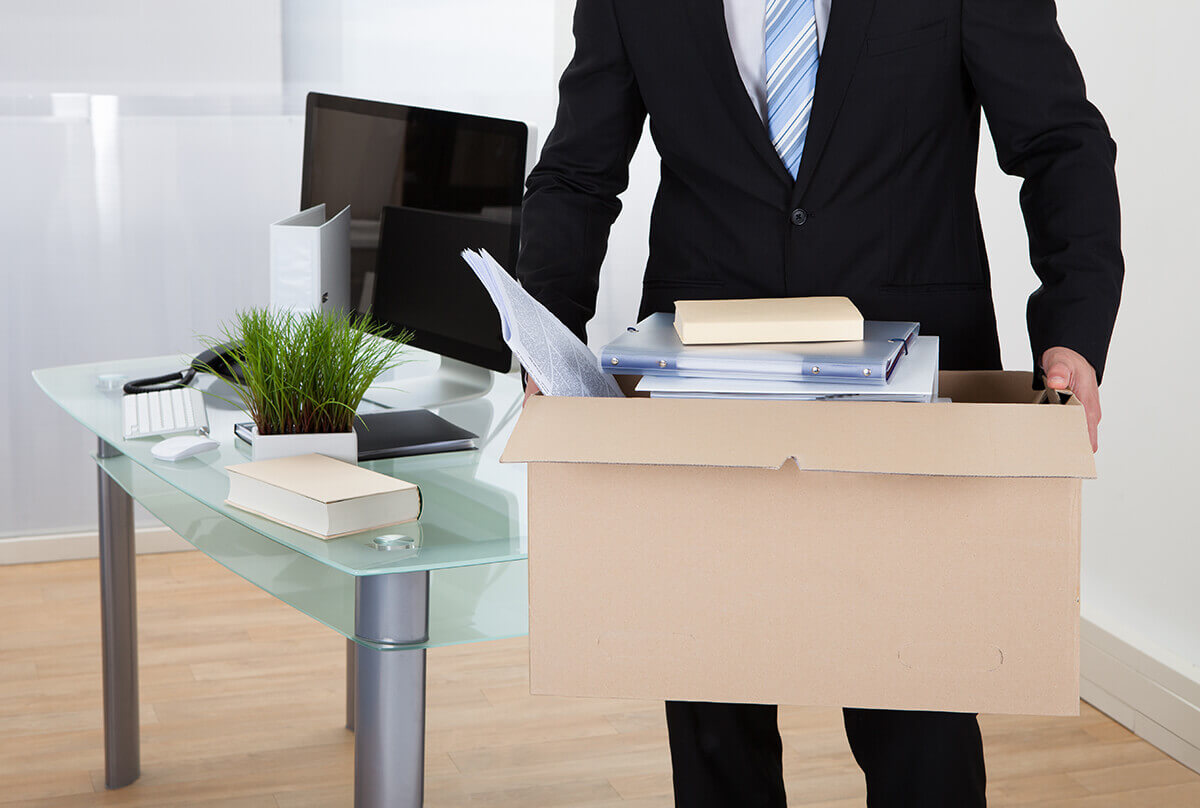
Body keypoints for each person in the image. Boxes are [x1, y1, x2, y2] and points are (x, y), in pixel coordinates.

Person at [515, 0, 1123, 805]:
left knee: (917, 723)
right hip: (704, 394)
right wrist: (541, 335)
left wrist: (1073, 331)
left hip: (912, 403)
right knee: (714, 720)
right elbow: (577, 171)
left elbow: (1059, 143)